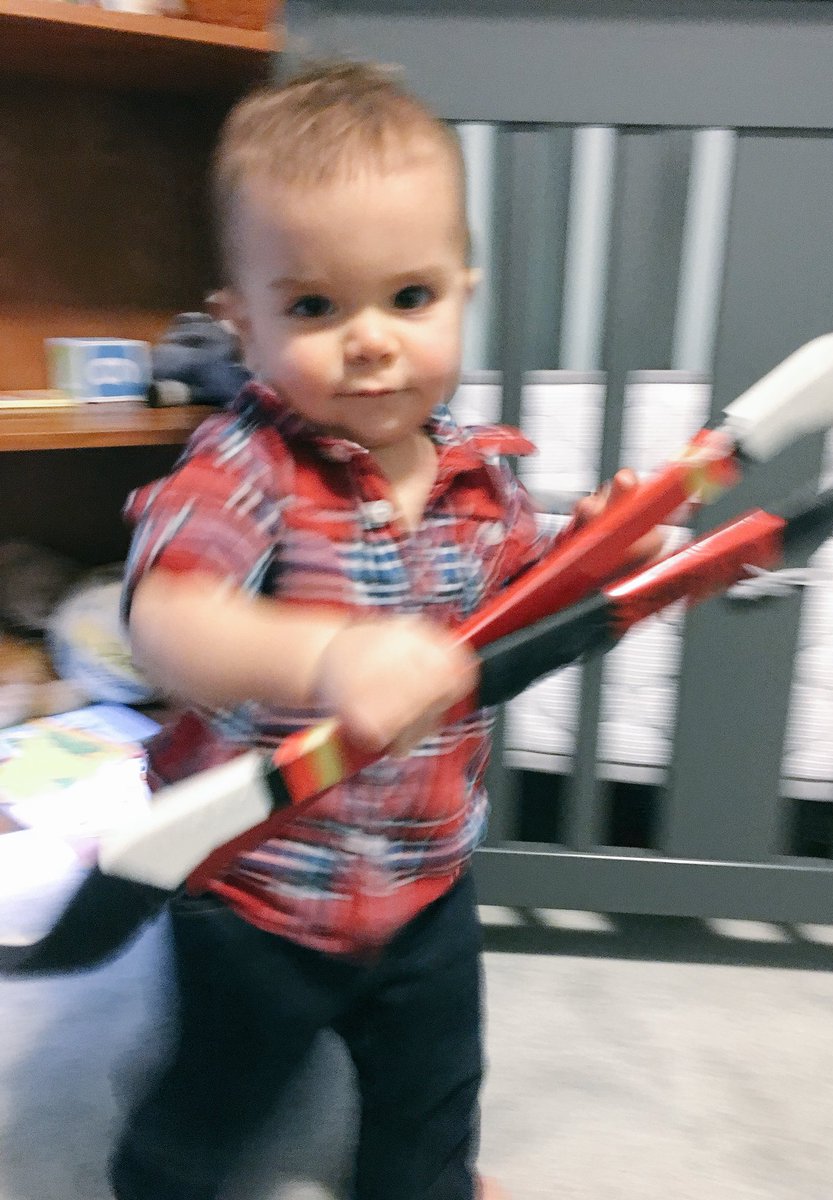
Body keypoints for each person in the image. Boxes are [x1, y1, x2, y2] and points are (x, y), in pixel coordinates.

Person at [110, 60, 660, 1200]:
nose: (369, 339)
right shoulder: (244, 467)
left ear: (463, 291)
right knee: (219, 1099)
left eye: (408, 298)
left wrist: (602, 561)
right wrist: (327, 651)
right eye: (315, 306)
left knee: (434, 1093)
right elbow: (165, 617)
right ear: (242, 323)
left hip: (427, 879)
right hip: (258, 890)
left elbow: (521, 620)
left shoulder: (483, 478)